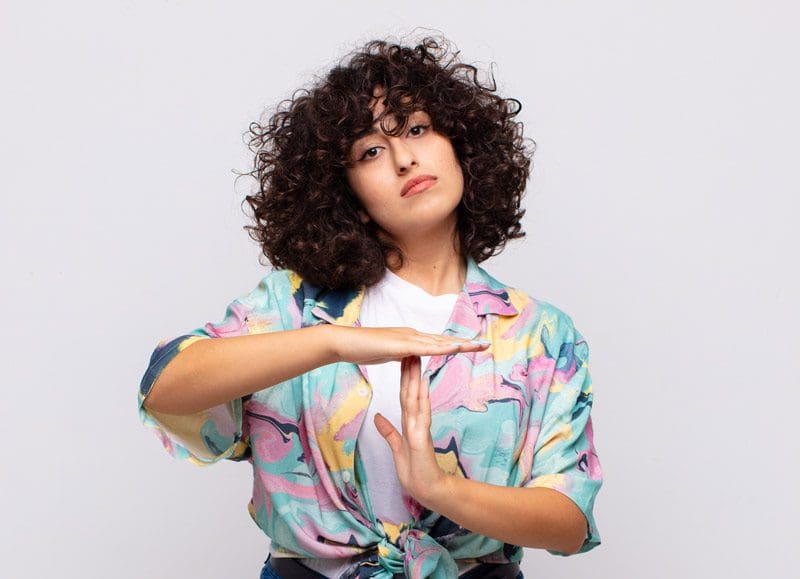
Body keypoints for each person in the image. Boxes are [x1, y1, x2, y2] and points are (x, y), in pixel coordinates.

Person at [137, 35, 603, 579]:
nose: (405, 158)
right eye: (371, 151)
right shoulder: (294, 307)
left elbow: (569, 521)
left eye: (417, 129)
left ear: (461, 147)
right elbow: (164, 390)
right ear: (347, 196)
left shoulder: (539, 333)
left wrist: (442, 490)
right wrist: (330, 343)